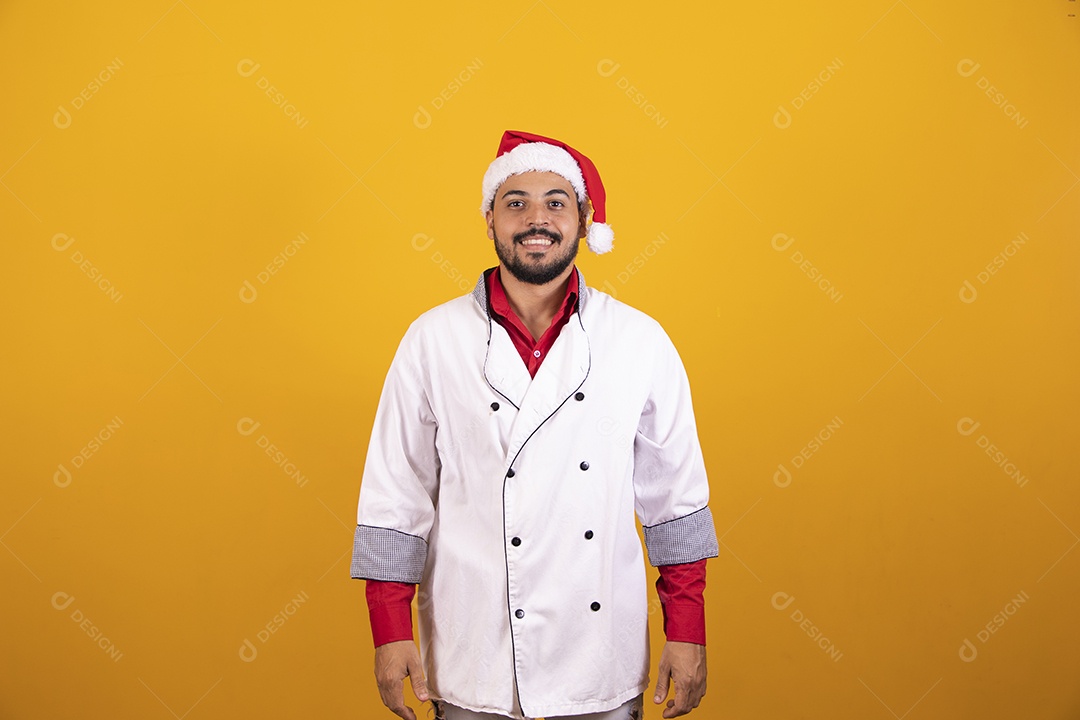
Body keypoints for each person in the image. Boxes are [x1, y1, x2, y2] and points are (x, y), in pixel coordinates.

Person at [351, 130, 719, 720]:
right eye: (515, 202)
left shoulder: (638, 340)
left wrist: (688, 629)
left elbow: (675, 504)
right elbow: (395, 499)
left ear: (583, 218)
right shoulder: (432, 340)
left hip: (599, 659)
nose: (536, 219)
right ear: (490, 220)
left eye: (555, 201)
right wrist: (390, 630)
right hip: (471, 655)